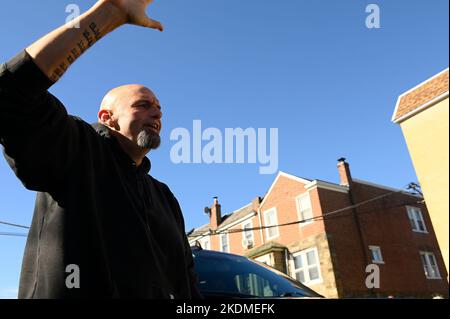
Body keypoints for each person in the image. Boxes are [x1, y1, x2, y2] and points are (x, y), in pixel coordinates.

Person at [0, 0, 201, 299]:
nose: (157, 114)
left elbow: (186, 284)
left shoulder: (165, 198)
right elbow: (10, 94)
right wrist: (109, 14)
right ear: (107, 118)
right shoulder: (76, 148)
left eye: (159, 108)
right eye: (143, 105)